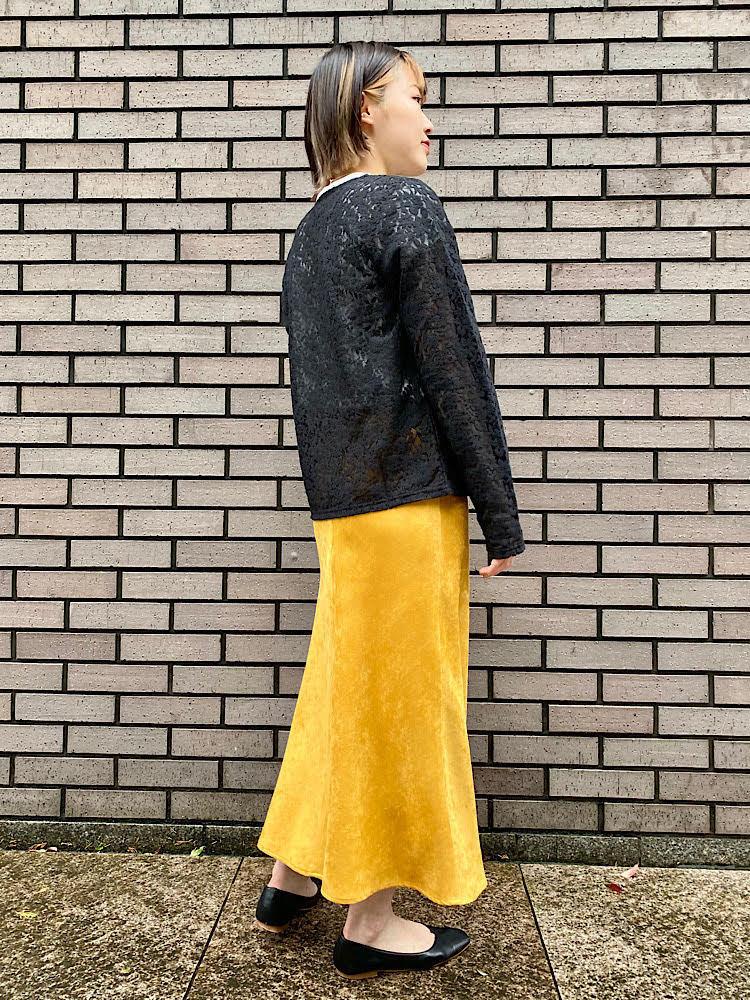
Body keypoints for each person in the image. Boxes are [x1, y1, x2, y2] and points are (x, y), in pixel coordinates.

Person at [254, 40, 525, 979]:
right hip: (407, 502)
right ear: (367, 109)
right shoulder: (404, 205)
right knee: (400, 710)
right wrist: (499, 511)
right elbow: (456, 367)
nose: (430, 118)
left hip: (344, 508)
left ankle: (293, 874)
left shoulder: (313, 228)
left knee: (344, 688)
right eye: (416, 97)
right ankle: (368, 922)